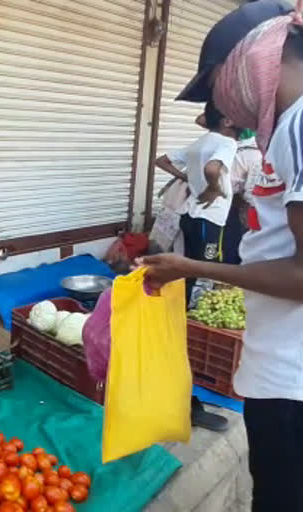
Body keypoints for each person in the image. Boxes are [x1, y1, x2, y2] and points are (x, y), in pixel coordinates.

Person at [139, 3, 303, 510]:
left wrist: (190, 267)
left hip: (291, 384)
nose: (226, 109)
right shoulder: (289, 127)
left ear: (255, 58)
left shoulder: (300, 124)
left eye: (218, 87)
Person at [154, 100, 241, 302]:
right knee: (208, 268)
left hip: (189, 214)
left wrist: (185, 177)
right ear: (227, 121)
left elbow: (161, 160)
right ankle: (195, 312)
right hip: (209, 216)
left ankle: (181, 306)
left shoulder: (201, 142)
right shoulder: (227, 143)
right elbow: (212, 169)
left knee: (188, 266)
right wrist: (214, 188)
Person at [223, 129, 263, 264]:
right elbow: (250, 194)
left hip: (230, 203)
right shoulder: (256, 153)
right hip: (231, 204)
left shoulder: (240, 147)